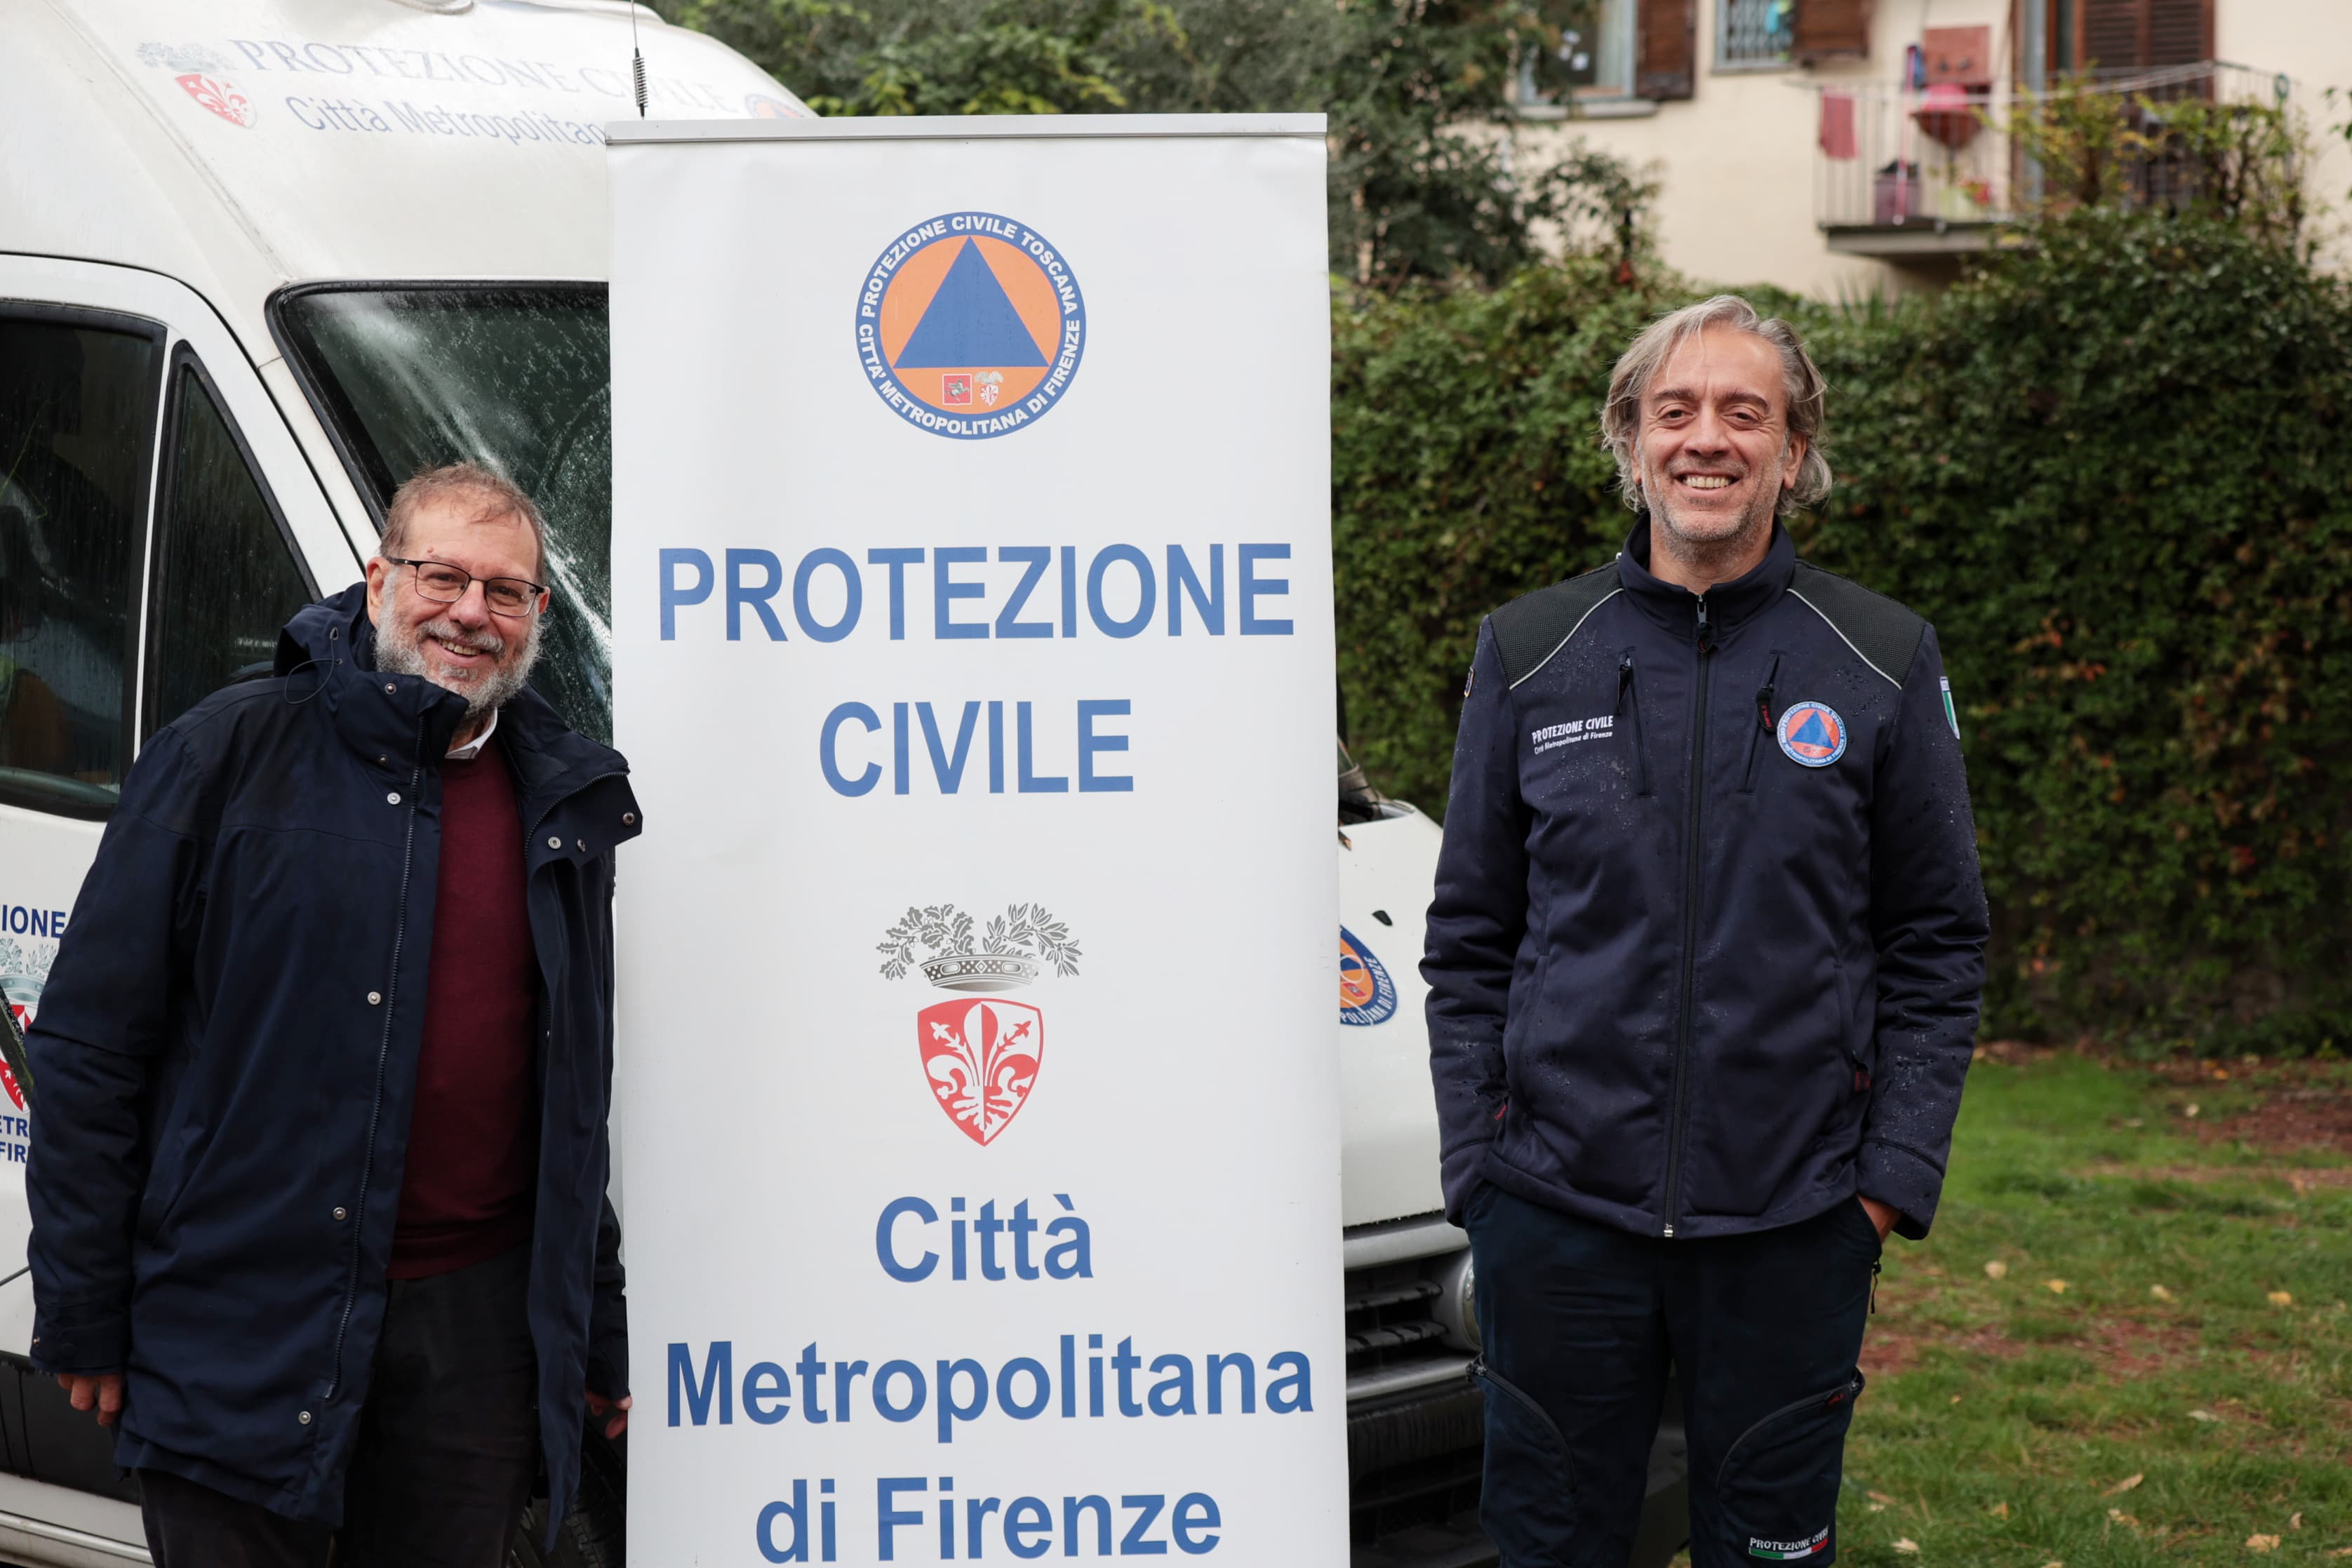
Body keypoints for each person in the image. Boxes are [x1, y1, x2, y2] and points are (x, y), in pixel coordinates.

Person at [1422, 295, 1988, 1568]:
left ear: (1794, 452)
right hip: (1558, 1219)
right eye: (1675, 411)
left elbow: (1940, 940)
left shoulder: (1881, 657)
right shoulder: (1528, 652)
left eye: (1748, 413)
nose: (1708, 440)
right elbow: (1468, 937)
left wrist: (1887, 1184)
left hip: (1793, 1227)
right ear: (1631, 440)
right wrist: (1481, 1177)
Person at [25, 462, 642, 1567]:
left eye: (507, 592)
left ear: (538, 616)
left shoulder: (563, 799)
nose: (471, 612)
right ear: (376, 582)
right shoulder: (224, 756)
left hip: (473, 1340)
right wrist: (82, 1306)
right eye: (441, 575)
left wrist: (591, 1329)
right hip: (243, 1315)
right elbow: (89, 1049)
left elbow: (570, 1102)